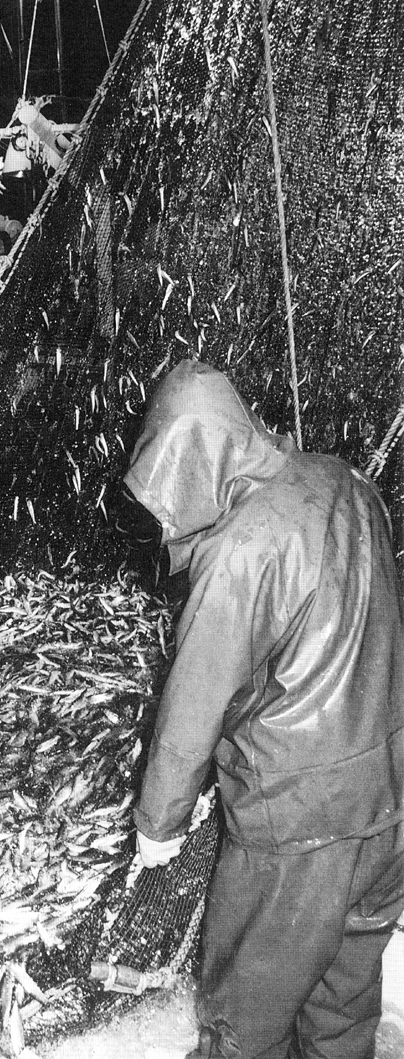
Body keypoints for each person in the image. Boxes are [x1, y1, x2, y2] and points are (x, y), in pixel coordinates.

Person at [119, 359, 404, 1059]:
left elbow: (195, 701)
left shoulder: (240, 549)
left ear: (194, 461)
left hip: (298, 829)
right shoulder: (346, 480)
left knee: (245, 1016)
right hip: (390, 804)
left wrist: (159, 824)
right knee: (341, 1007)